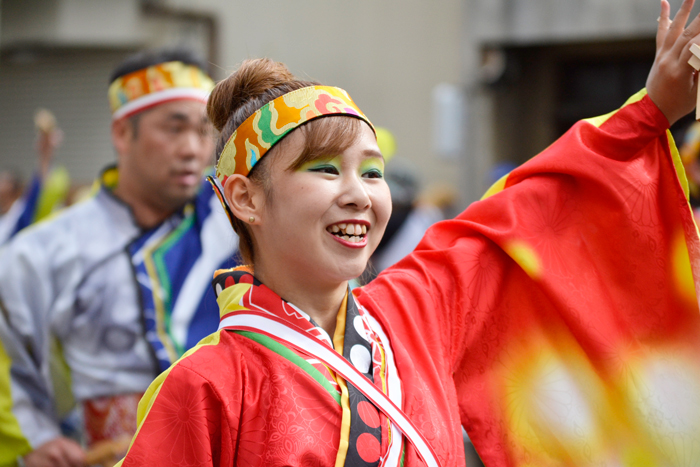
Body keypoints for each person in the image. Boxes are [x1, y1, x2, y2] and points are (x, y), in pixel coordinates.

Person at [119, 2, 700, 465]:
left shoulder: (416, 309)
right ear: (245, 198)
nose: (359, 193)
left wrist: (651, 111)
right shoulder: (206, 385)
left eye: (371, 172)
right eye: (325, 170)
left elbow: (534, 205)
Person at [0, 49, 239, 466]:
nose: (192, 149)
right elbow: (11, 365)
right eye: (174, 128)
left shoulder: (239, 229)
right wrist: (34, 441)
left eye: (204, 131)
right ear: (122, 135)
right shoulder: (47, 251)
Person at [0, 110, 70, 245]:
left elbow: (37, 197)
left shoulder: (21, 210)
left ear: (12, 187)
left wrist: (45, 154)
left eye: (4, 180)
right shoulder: (7, 217)